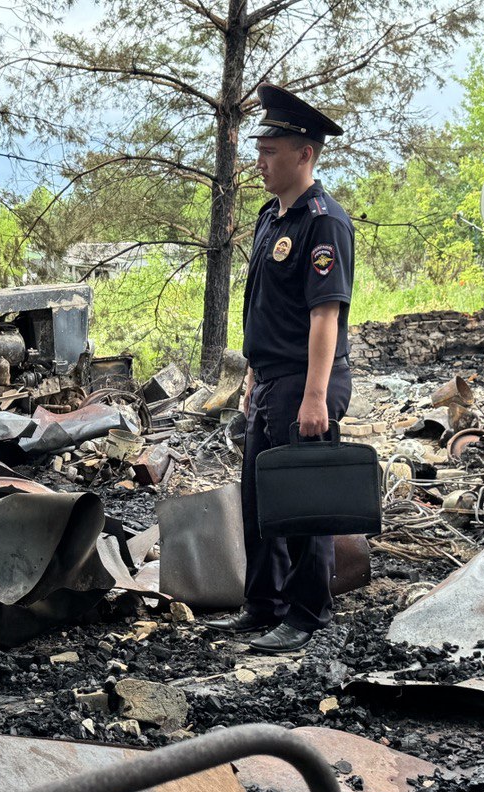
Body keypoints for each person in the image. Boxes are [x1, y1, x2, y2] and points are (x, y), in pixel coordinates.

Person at [211, 83, 354, 654]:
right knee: (260, 500)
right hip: (271, 379)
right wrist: (251, 376)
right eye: (260, 149)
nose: (261, 161)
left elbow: (326, 317)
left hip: (306, 380)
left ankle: (305, 613)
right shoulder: (272, 216)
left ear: (305, 154)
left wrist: (316, 396)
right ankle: (263, 605)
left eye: (271, 151)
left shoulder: (324, 223)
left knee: (304, 504)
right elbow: (262, 306)